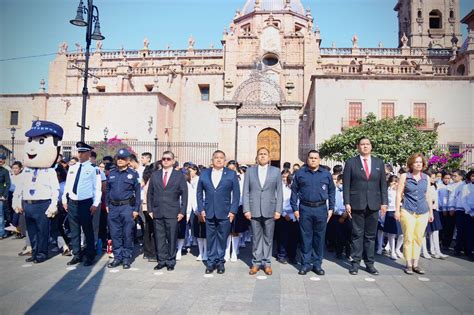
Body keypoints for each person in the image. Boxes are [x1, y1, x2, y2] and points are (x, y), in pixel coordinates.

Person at [13, 120, 64, 263]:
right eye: (30, 140)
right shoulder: (27, 171)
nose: (32, 147)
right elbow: (20, 187)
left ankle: (41, 253)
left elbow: (55, 189)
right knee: (32, 231)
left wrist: (53, 204)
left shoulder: (49, 172)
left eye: (41, 140)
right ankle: (34, 252)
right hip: (28, 204)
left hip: (43, 204)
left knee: (42, 231)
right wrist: (17, 201)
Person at [343, 136, 388, 275]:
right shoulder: (351, 162)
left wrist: (384, 203)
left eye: (367, 144)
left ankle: (370, 263)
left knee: (370, 235)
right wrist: (347, 202)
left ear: (371, 146)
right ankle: (355, 263)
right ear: (358, 147)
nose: (365, 146)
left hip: (374, 204)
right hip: (357, 203)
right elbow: (346, 185)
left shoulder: (379, 163)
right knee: (357, 234)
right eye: (362, 144)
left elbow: (383, 185)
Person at [291, 150, 335, 276]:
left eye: (316, 158)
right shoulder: (300, 173)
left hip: (321, 209)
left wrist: (331, 208)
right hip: (305, 209)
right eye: (311, 158)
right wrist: (295, 209)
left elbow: (332, 191)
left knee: (319, 238)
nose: (313, 160)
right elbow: (294, 191)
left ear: (319, 160)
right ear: (307, 159)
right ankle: (305, 264)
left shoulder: (326, 174)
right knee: (306, 238)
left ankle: (317, 264)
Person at [197, 150, 240, 275]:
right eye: (216, 157)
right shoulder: (204, 174)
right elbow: (199, 193)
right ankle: (210, 262)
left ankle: (220, 261)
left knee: (222, 238)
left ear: (225, 160)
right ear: (212, 160)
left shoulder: (231, 174)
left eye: (221, 158)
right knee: (210, 238)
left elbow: (236, 194)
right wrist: (201, 209)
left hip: (225, 212)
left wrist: (233, 211)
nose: (219, 160)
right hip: (209, 212)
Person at [243, 147, 283, 276]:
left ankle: (267, 263)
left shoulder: (276, 171)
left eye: (265, 154)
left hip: (270, 209)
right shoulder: (250, 171)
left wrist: (278, 210)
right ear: (257, 157)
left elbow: (280, 192)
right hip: (254, 210)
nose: (263, 156)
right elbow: (246, 192)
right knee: (256, 238)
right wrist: (246, 209)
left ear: (269, 157)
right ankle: (255, 263)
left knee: (268, 238)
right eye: (260, 154)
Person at [62, 142, 102, 267]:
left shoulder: (93, 169)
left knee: (87, 230)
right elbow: (68, 185)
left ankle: (90, 256)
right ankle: (77, 255)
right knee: (74, 230)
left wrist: (96, 203)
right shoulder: (72, 168)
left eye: (83, 152)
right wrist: (64, 199)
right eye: (79, 152)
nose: (80, 154)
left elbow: (97, 188)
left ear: (89, 153)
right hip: (72, 202)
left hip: (86, 203)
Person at [147, 151, 188, 271]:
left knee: (171, 237)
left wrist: (182, 211)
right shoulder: (155, 175)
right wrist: (150, 209)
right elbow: (150, 193)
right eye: (163, 159)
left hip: (173, 212)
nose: (165, 161)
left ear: (173, 161)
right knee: (159, 237)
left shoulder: (179, 175)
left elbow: (184, 194)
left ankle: (170, 261)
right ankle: (161, 260)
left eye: (168, 159)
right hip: (157, 211)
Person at [395, 153, 433, 274]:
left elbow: (428, 195)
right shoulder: (405, 176)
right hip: (408, 210)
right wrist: (397, 210)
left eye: (420, 162)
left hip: (423, 211)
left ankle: (416, 264)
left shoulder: (426, 178)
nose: (418, 164)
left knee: (418, 238)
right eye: (416, 162)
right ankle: (408, 264)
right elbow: (398, 194)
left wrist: (431, 212)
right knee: (409, 237)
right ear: (411, 164)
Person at [105, 149, 141, 269]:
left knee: (127, 233)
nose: (120, 160)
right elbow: (108, 190)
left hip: (127, 207)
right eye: (118, 158)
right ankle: (117, 257)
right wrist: (107, 205)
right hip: (113, 208)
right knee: (115, 233)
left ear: (128, 161)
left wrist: (136, 209)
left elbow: (137, 193)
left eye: (123, 158)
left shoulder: (133, 174)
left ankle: (126, 258)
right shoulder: (112, 173)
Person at [275, 170, 299, 264]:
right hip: (284, 216)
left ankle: (292, 256)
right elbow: (279, 203)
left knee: (294, 238)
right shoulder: (282, 190)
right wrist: (284, 214)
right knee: (283, 237)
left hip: (296, 217)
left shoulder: (299, 191)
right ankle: (281, 255)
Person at [425, 170, 448, 259]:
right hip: (426, 210)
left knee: (435, 231)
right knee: (426, 232)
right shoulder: (425, 187)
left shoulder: (435, 186)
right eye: (433, 178)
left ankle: (436, 251)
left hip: (435, 210)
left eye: (435, 178)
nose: (434, 179)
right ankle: (425, 251)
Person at [381, 175, 403, 260]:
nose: (395, 184)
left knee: (402, 234)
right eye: (393, 182)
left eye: (396, 182)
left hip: (400, 210)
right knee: (392, 233)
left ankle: (397, 249)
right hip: (390, 211)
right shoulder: (387, 191)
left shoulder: (399, 191)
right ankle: (392, 251)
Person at [141, 163, 157, 262]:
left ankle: (147, 252)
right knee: (154, 231)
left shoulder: (147, 179)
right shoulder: (152, 180)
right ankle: (152, 253)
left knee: (148, 230)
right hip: (151, 208)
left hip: (145, 207)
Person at [333, 174, 352, 260]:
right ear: (337, 182)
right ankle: (339, 253)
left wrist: (346, 214)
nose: (342, 185)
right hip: (338, 216)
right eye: (340, 183)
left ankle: (349, 253)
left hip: (349, 216)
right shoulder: (334, 192)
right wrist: (341, 214)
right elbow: (333, 205)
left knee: (349, 236)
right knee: (339, 236)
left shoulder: (349, 192)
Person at [460, 170, 474, 261]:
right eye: (472, 176)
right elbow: (463, 201)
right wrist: (471, 212)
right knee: (469, 234)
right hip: (469, 213)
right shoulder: (466, 187)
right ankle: (470, 251)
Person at [0, 155, 11, 239]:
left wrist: (4, 195)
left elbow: (8, 184)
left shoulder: (5, 171)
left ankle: (1, 233)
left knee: (0, 216)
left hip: (0, 196)